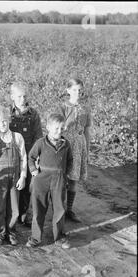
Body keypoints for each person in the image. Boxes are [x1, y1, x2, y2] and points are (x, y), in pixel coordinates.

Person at [26, 113, 73, 249]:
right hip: (41, 180)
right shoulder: (40, 143)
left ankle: (58, 237)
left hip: (59, 180)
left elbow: (70, 161)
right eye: (56, 128)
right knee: (38, 209)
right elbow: (31, 157)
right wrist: (34, 171)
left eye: (61, 128)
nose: (59, 131)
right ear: (48, 128)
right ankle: (35, 238)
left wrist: (66, 175)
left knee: (59, 209)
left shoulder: (66, 144)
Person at [0, 107, 27, 246]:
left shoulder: (18, 137)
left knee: (14, 208)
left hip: (15, 178)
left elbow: (23, 158)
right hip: (0, 180)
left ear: (9, 120)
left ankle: (11, 232)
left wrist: (23, 176)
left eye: (5, 121)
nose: (2, 124)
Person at [9, 82, 43, 227]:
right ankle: (12, 213)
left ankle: (25, 213)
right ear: (12, 97)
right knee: (14, 184)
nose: (22, 99)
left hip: (29, 154)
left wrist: (37, 156)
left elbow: (38, 136)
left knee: (28, 184)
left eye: (25, 96)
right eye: (19, 96)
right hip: (12, 155)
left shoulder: (33, 114)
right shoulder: (8, 113)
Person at [59, 78, 92, 223]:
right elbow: (57, 128)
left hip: (79, 144)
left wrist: (88, 151)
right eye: (74, 90)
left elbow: (87, 130)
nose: (77, 93)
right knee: (62, 177)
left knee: (73, 178)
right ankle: (58, 208)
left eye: (79, 90)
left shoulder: (86, 108)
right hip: (65, 143)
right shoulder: (63, 107)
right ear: (68, 90)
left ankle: (69, 209)